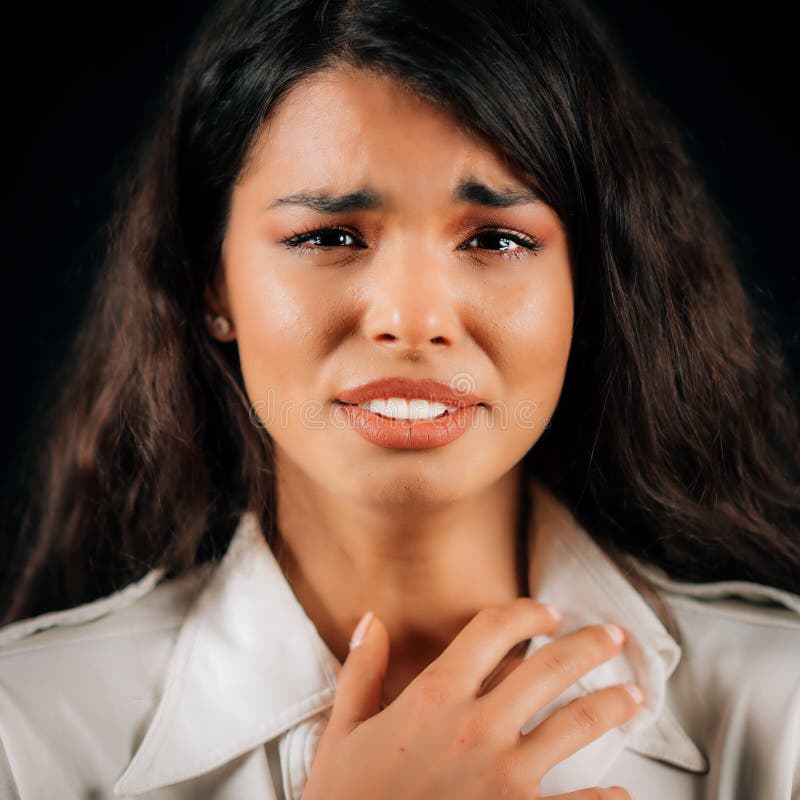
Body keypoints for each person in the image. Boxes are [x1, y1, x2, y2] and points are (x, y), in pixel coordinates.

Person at [1, 0, 798, 798]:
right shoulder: (26, 732)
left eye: (494, 240)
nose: (413, 322)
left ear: (586, 287)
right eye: (329, 238)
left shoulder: (782, 714)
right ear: (214, 281)